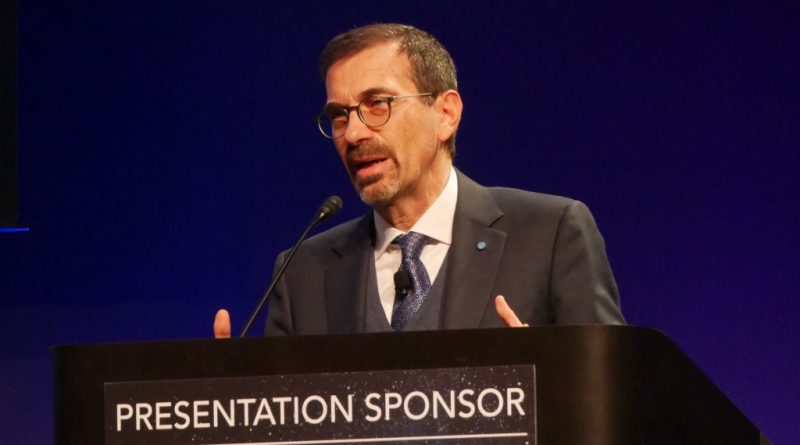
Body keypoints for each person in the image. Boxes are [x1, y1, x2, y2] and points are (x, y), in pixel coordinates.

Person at [214, 23, 624, 338]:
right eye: (339, 116)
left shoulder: (550, 235)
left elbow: (612, 396)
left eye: (377, 104)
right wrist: (234, 396)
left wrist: (550, 377)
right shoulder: (302, 272)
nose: (352, 134)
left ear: (446, 114)